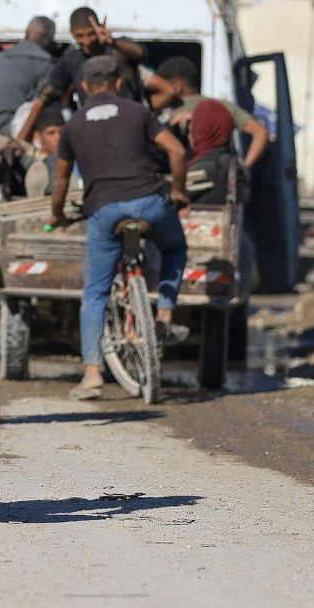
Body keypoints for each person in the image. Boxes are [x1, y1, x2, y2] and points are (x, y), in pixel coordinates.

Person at [49, 56, 191, 402]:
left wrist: (57, 216)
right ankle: (166, 314)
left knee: (95, 293)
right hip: (149, 204)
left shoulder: (74, 125)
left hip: (105, 211)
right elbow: (176, 150)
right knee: (175, 248)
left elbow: (62, 179)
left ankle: (93, 373)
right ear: (117, 83)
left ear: (83, 87)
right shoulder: (138, 112)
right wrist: (179, 191)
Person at [16, 7, 147, 143]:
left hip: (130, 126)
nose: (86, 41)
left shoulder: (117, 49)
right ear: (72, 33)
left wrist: (113, 43)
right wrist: (20, 140)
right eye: (80, 36)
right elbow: (45, 95)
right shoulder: (72, 60)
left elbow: (139, 53)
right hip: (96, 132)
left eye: (91, 34)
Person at [0, 15, 58, 146]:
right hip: (7, 136)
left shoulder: (2, 57)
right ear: (50, 40)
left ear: (26, 33)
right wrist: (19, 144)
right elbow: (39, 104)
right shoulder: (45, 63)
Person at [20, 107, 68, 199]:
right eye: (51, 133)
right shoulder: (30, 161)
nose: (58, 138)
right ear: (38, 135)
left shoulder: (74, 157)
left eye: (61, 132)